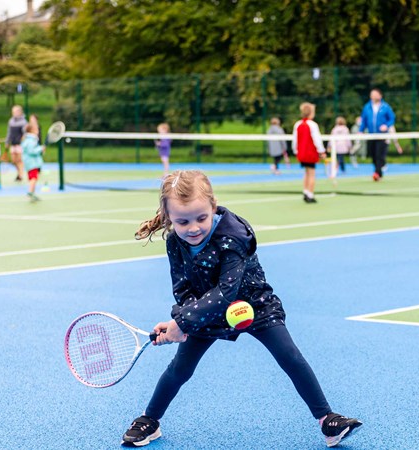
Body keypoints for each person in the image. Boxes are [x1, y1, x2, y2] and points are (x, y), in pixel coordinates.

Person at [125, 170, 361, 448]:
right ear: (169, 219)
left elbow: (227, 292)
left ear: (213, 206)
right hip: (206, 310)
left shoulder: (233, 235)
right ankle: (149, 420)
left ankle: (327, 420)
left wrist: (183, 322)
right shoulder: (175, 242)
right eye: (182, 221)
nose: (193, 228)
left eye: (201, 217)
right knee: (180, 368)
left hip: (254, 304)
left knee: (289, 355)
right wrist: (182, 321)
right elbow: (182, 287)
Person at [292, 102, 326, 203]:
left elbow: (295, 140)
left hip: (302, 153)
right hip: (310, 154)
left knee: (306, 172)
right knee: (311, 174)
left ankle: (305, 191)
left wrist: (296, 151)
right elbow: (317, 140)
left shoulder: (297, 124)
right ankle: (310, 194)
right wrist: (322, 151)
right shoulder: (313, 125)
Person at [360, 88, 396, 181]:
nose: (373, 96)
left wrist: (386, 126)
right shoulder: (367, 107)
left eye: (375, 94)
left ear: (380, 96)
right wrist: (361, 130)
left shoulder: (385, 107)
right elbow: (364, 120)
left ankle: (377, 173)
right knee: (372, 154)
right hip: (371, 135)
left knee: (379, 154)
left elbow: (392, 118)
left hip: (382, 135)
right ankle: (379, 171)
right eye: (372, 94)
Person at [21, 122, 44, 202]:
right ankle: (30, 192)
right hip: (32, 163)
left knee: (32, 178)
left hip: (29, 163)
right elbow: (32, 151)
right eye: (36, 129)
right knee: (34, 178)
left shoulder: (29, 139)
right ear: (32, 131)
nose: (38, 131)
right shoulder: (31, 140)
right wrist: (40, 149)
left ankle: (32, 193)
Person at [6, 105, 28, 181]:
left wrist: (23, 139)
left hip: (20, 144)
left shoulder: (24, 121)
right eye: (13, 111)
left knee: (19, 160)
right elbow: (9, 132)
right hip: (13, 143)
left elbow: (26, 132)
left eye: (15, 111)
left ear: (20, 112)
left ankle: (20, 175)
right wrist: (7, 142)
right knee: (14, 160)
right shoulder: (11, 121)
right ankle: (19, 172)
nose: (14, 113)